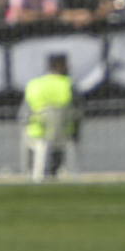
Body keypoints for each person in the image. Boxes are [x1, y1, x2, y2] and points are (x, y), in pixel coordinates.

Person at [20, 53, 80, 183]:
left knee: (30, 137)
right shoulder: (69, 84)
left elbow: (23, 116)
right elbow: (78, 112)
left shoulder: (34, 85)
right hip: (64, 133)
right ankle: (55, 169)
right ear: (61, 66)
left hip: (38, 133)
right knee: (60, 141)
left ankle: (32, 170)